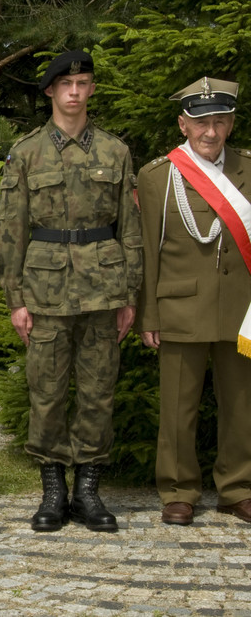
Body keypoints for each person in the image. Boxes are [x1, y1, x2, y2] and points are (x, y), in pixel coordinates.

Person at [0, 51, 142, 533]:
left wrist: (131, 295)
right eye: (66, 84)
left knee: (98, 393)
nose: (75, 91)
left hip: (103, 290)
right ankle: (53, 492)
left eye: (82, 82)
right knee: (48, 393)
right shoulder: (28, 152)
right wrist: (15, 299)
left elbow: (131, 228)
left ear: (91, 89)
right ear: (50, 92)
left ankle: (89, 491)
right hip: (46, 290)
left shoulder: (116, 152)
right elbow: (11, 230)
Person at [136, 77, 251, 526]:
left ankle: (238, 487)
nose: (211, 132)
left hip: (241, 309)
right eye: (201, 122)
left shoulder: (248, 168)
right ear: (183, 124)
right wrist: (149, 312)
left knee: (242, 403)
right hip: (179, 307)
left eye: (220, 121)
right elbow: (148, 249)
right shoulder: (157, 175)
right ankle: (179, 490)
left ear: (231, 123)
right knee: (178, 407)